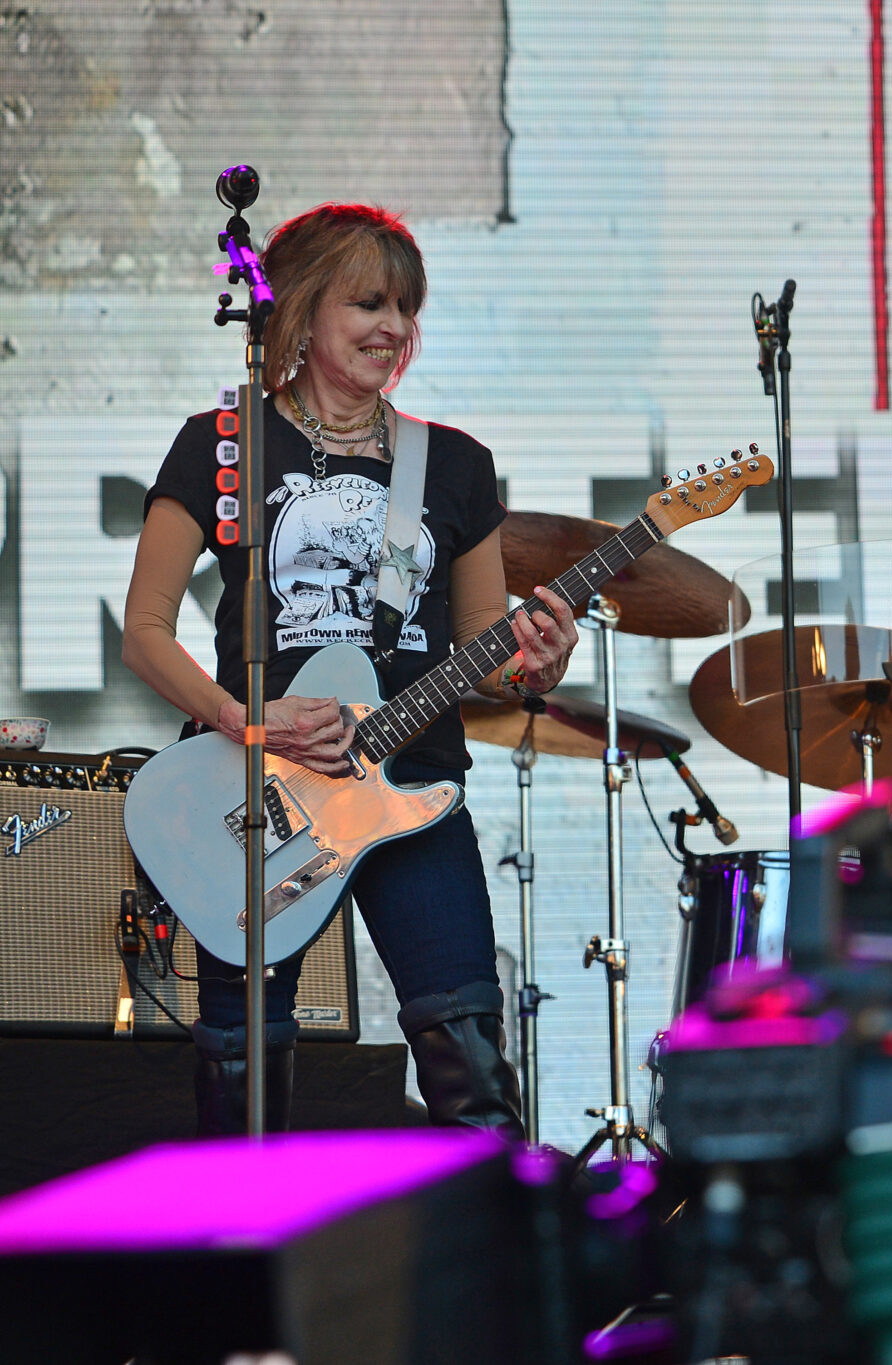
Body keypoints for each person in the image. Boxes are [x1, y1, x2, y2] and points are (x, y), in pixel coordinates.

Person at [123, 203, 578, 1138]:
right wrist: (249, 720)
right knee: (244, 1068)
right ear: (297, 313)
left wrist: (535, 665)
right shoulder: (223, 442)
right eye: (369, 303)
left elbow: (489, 651)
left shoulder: (453, 464)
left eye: (406, 308)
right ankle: (244, 1274)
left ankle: (486, 1264)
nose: (395, 328)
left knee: (470, 1062)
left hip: (412, 787)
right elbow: (146, 632)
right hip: (256, 791)